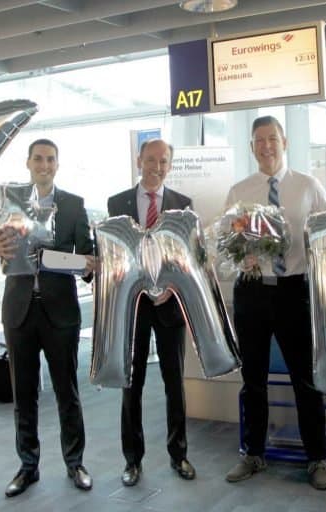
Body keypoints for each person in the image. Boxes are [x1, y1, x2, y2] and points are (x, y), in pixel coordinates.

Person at [0, 139, 95, 498]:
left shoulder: (73, 205)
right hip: (19, 310)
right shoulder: (7, 202)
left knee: (67, 393)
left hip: (61, 312)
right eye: (38, 159)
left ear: (58, 165)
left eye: (50, 159)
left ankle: (76, 464)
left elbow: (87, 261)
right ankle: (28, 467)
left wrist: (82, 264)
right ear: (28, 163)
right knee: (23, 395)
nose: (44, 165)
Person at [224, 116, 326, 490]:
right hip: (251, 290)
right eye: (259, 140)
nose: (266, 146)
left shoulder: (308, 186)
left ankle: (316, 458)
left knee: (306, 378)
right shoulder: (240, 190)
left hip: (294, 291)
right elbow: (226, 244)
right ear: (251, 147)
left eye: (272, 138)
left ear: (284, 142)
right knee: (252, 378)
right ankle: (253, 453)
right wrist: (242, 258)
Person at [107, 139, 196, 487]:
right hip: (134, 307)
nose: (156, 167)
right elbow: (116, 254)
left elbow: (188, 259)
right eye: (150, 160)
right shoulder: (117, 203)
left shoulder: (182, 205)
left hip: (170, 307)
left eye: (163, 161)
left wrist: (171, 288)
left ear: (170, 165)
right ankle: (132, 460)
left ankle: (180, 454)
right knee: (133, 385)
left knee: (175, 384)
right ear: (138, 160)